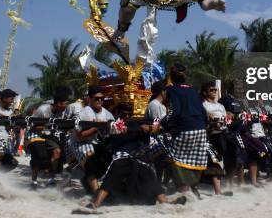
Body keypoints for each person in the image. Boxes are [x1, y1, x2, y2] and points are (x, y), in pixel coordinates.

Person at [85, 103, 186, 210]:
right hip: (119, 158)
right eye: (124, 114)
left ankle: (165, 202)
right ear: (117, 113)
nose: (127, 117)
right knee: (117, 168)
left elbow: (152, 129)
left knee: (149, 172)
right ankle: (96, 203)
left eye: (130, 114)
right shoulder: (112, 126)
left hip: (137, 158)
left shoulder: (136, 124)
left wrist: (148, 130)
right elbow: (106, 140)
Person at [159, 63, 208, 195]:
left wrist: (162, 122)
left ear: (171, 77)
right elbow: (203, 111)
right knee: (194, 160)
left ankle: (183, 189)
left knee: (174, 157)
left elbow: (175, 111)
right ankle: (194, 187)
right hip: (201, 129)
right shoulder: (192, 90)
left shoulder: (172, 90)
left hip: (186, 129)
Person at [73, 86, 115, 194]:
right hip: (82, 142)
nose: (100, 100)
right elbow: (80, 137)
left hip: (99, 144)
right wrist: (96, 128)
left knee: (110, 159)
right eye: (97, 98)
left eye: (102, 98)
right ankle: (97, 193)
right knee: (90, 158)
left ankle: (87, 180)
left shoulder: (108, 114)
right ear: (90, 99)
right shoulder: (84, 113)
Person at [28, 91, 71, 188]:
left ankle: (51, 179)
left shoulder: (63, 112)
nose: (67, 106)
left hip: (49, 135)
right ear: (59, 103)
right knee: (39, 157)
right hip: (35, 134)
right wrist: (45, 127)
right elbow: (32, 126)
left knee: (57, 151)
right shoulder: (43, 110)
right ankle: (34, 181)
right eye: (66, 103)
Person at [201, 81, 232, 196]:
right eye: (211, 90)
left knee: (228, 158)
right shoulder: (203, 105)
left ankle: (228, 185)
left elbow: (226, 121)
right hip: (211, 136)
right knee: (215, 161)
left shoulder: (220, 106)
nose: (214, 92)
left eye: (215, 90)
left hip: (223, 134)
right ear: (205, 92)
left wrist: (229, 116)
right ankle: (218, 191)